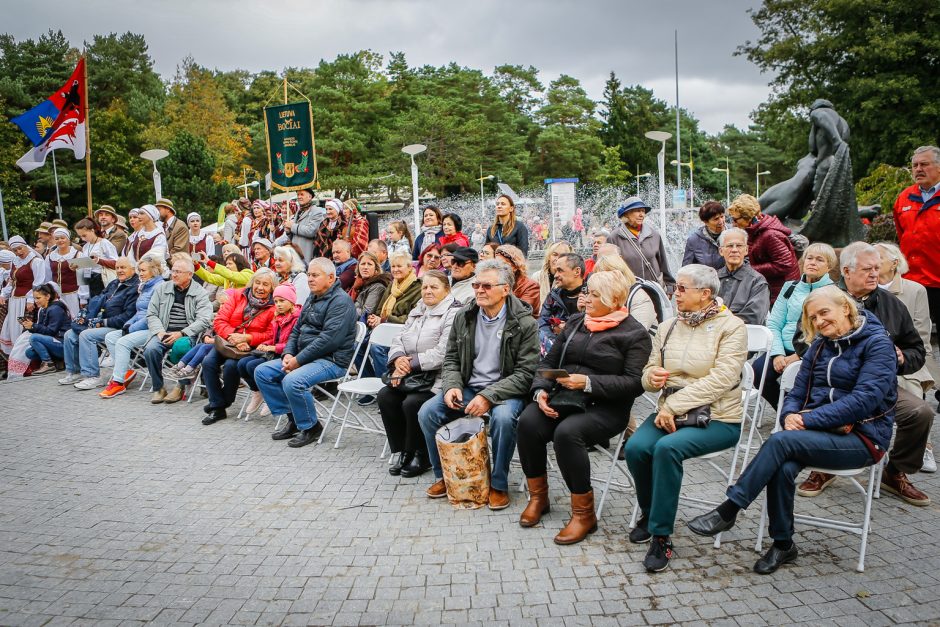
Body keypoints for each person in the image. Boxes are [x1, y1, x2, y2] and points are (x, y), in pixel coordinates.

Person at [687, 286, 897, 574]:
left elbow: (864, 401)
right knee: (783, 466)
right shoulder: (820, 346)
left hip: (864, 437)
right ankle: (783, 545)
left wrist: (807, 420)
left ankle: (730, 509)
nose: (820, 321)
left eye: (825, 312)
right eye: (813, 318)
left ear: (845, 308)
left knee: (780, 444)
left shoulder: (877, 344)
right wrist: (789, 416)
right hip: (817, 432)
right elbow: (796, 393)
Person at [624, 264, 747, 573]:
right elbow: (647, 373)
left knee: (667, 449)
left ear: (705, 294)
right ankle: (651, 512)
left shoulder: (731, 327)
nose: (673, 293)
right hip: (672, 412)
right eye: (674, 287)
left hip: (719, 418)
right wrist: (654, 377)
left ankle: (661, 535)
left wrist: (673, 405)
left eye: (681, 288)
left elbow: (723, 379)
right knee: (637, 448)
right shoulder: (668, 328)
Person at [517, 271, 652, 544]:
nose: (585, 298)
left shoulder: (634, 333)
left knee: (567, 434)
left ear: (614, 299)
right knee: (527, 422)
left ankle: (583, 514)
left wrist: (588, 382)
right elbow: (548, 362)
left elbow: (634, 384)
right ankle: (539, 498)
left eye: (593, 294)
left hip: (606, 407)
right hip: (564, 397)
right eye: (586, 292)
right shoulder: (578, 322)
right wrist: (541, 390)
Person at [797, 242, 934, 506]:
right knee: (837, 408)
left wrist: (903, 357)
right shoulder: (824, 299)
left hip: (879, 389)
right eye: (867, 269)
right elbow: (801, 340)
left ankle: (895, 472)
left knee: (921, 413)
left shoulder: (892, 305)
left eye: (876, 268)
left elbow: (916, 348)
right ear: (846, 272)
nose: (875, 274)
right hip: (833, 386)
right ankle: (824, 466)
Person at [417, 260, 539, 509]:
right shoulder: (465, 316)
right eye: (476, 285)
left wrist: (489, 396)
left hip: (506, 389)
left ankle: (498, 483)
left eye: (486, 285)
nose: (479, 290)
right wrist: (452, 385)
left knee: (504, 420)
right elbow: (451, 358)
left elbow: (526, 374)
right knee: (427, 412)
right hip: (470, 387)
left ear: (506, 289)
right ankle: (445, 476)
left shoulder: (525, 323)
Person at [255, 258, 358, 447]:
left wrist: (298, 360)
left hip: (332, 360)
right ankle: (295, 418)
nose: (310, 279)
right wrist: (287, 353)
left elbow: (328, 340)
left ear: (330, 278)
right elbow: (296, 330)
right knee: (263, 372)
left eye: (315, 275)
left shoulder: (341, 302)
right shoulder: (312, 297)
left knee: (293, 381)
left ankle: (311, 427)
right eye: (309, 274)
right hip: (304, 356)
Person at [379, 270, 460, 478]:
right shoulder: (419, 308)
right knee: (386, 396)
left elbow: (444, 352)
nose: (428, 291)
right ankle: (402, 450)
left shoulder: (453, 312)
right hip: (411, 374)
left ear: (447, 290)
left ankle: (421, 453)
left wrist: (409, 364)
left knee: (412, 403)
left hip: (437, 376)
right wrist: (398, 359)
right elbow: (400, 338)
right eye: (424, 287)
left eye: (434, 287)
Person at [874, 241, 936, 470]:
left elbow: (921, 337)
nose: (873, 263)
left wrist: (903, 357)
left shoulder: (914, 290)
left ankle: (921, 447)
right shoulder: (864, 289)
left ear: (895, 263)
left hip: (908, 357)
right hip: (874, 359)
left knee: (912, 390)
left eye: (879, 258)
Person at [757, 243, 836, 406]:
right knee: (758, 373)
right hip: (783, 347)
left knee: (805, 382)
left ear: (829, 266)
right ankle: (786, 410)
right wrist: (778, 354)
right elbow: (774, 323)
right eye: (809, 258)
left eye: (820, 260)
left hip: (813, 352)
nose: (813, 262)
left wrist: (798, 356)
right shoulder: (790, 287)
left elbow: (828, 333)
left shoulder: (833, 292)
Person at [199, 269, 277, 423]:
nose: (260, 287)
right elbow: (220, 320)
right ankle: (219, 404)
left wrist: (247, 338)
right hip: (229, 342)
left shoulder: (274, 306)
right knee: (208, 363)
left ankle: (218, 406)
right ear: (252, 282)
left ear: (272, 288)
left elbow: (271, 334)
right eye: (258, 282)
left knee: (230, 366)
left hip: (250, 346)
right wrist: (234, 337)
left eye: (265, 284)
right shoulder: (237, 295)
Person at [58, 257, 139, 390]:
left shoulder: (134, 288)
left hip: (116, 326)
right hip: (99, 321)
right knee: (69, 334)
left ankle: (93, 376)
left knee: (86, 335)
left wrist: (102, 322)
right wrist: (87, 315)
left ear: (133, 269)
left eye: (123, 267)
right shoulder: (114, 283)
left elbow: (127, 317)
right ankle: (75, 371)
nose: (119, 270)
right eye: (117, 267)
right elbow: (98, 299)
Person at [141, 257, 213, 404]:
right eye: (173, 271)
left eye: (178, 272)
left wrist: (182, 333)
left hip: (186, 334)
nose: (174, 275)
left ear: (190, 275)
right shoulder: (162, 288)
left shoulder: (200, 293)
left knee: (182, 346)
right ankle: (159, 388)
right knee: (150, 349)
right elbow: (151, 314)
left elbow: (205, 319)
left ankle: (181, 386)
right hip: (164, 332)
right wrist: (160, 332)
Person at [99, 255, 166, 398]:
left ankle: (117, 382)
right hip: (140, 326)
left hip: (153, 328)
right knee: (110, 337)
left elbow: (151, 315)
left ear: (153, 270)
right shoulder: (145, 285)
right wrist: (127, 325)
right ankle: (126, 371)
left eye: (143, 270)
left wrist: (130, 329)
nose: (140, 274)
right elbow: (139, 311)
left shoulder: (159, 287)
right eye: (139, 270)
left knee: (123, 342)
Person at [894, 146, 940, 335]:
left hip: (938, 280)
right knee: (914, 337)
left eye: (924, 164)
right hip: (912, 281)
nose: (918, 169)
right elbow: (902, 235)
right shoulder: (904, 198)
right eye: (915, 165)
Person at [241, 282, 302, 417]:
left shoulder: (296, 318)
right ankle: (259, 392)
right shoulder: (278, 317)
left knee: (253, 366)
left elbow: (292, 344)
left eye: (282, 301)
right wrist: (265, 344)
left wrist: (272, 347)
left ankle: (271, 397)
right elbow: (275, 338)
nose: (278, 304)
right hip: (274, 352)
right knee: (242, 364)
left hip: (286, 355)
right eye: (276, 301)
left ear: (291, 301)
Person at [727, 194, 799, 303]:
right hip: (772, 288)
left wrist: (749, 269)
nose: (733, 223)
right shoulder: (755, 229)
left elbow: (784, 264)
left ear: (748, 217)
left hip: (781, 293)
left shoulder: (770, 235)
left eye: (735, 220)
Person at [608, 197, 676, 294]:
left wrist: (669, 287)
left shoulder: (654, 235)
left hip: (654, 291)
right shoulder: (614, 237)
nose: (641, 215)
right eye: (637, 211)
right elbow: (609, 268)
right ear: (626, 214)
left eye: (643, 211)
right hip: (628, 293)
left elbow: (663, 264)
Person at [715, 227, 770, 325]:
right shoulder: (713, 279)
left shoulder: (757, 281)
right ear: (721, 251)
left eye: (739, 246)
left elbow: (754, 317)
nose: (734, 250)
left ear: (746, 250)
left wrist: (721, 322)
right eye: (730, 246)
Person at [590, 253, 658, 331]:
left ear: (619, 275)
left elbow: (636, 333)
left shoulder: (639, 298)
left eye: (603, 277)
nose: (599, 281)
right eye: (597, 276)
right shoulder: (602, 296)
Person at [537, 252, 585, 354]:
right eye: (556, 271)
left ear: (577, 271)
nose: (555, 275)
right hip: (553, 350)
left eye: (560, 270)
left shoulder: (592, 296)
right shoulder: (554, 295)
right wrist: (553, 343)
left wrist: (566, 329)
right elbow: (542, 323)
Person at [22, 283, 72, 375]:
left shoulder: (55, 309)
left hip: (64, 343)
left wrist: (33, 326)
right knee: (29, 353)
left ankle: (49, 364)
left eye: (38, 298)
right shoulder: (44, 309)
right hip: (55, 342)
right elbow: (42, 330)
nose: (35, 301)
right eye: (34, 298)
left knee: (34, 338)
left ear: (48, 296)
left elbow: (51, 331)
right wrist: (30, 327)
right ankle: (58, 362)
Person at [74, 218, 118, 299]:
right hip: (88, 280)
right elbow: (83, 269)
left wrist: (99, 261)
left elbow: (116, 263)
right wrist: (77, 265)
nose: (83, 239)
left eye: (84, 235)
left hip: (101, 280)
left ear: (92, 230)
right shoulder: (86, 246)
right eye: (80, 236)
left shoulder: (104, 243)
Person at [45, 228, 82, 317]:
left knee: (74, 317)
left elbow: (83, 278)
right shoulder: (50, 256)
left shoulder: (77, 254)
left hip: (73, 295)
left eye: (62, 238)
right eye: (57, 239)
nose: (60, 241)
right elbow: (48, 277)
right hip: (57, 297)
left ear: (68, 239)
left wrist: (83, 298)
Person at [495, 244, 540, 317]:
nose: (498, 267)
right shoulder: (496, 283)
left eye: (503, 264)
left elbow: (521, 311)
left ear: (515, 266)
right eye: (496, 264)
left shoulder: (531, 286)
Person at [682, 201, 726, 270]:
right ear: (706, 222)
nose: (721, 221)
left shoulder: (733, 234)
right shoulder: (694, 240)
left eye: (722, 216)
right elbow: (686, 269)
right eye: (716, 219)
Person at [284, 188, 324, 262]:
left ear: (310, 197)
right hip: (295, 253)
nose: (299, 197)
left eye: (302, 194)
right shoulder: (298, 212)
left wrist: (292, 226)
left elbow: (311, 231)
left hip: (307, 253)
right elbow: (294, 235)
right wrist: (288, 231)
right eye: (298, 194)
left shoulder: (317, 211)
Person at [348, 251, 391, 317]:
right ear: (358, 267)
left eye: (369, 264)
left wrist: (345, 311)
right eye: (363, 264)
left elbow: (365, 313)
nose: (365, 267)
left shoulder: (378, 287)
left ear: (376, 269)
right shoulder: (358, 285)